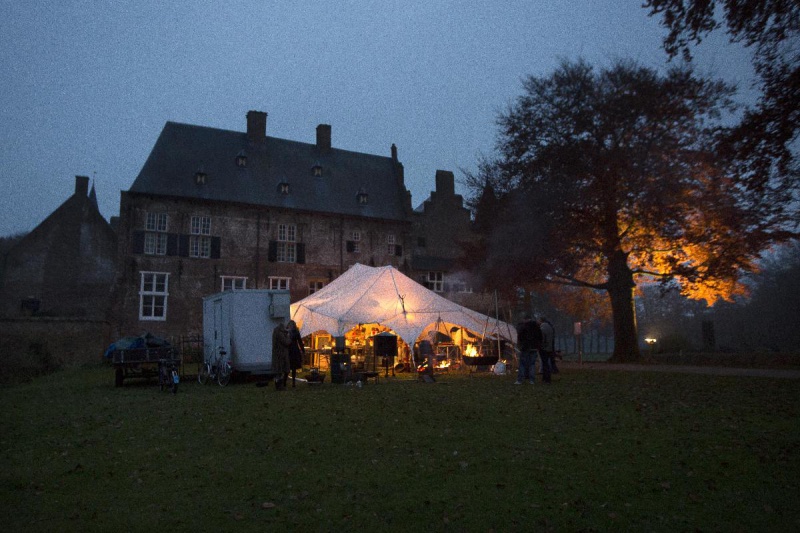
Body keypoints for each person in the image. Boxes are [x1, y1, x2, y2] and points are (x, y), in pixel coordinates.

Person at [515, 314, 542, 385]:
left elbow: (520, 336)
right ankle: (532, 380)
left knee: (522, 364)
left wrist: (520, 345)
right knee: (532, 364)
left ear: (525, 319)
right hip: (534, 348)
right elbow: (540, 337)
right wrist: (537, 346)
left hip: (525, 348)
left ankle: (520, 379)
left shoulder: (524, 327)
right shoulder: (537, 327)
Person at [271, 320, 291, 390]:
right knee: (280, 371)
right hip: (281, 355)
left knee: (279, 371)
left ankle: (279, 385)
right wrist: (288, 336)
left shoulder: (276, 331)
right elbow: (286, 342)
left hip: (278, 354)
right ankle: (279, 386)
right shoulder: (280, 333)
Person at [286, 320, 305, 388]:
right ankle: (287, 382)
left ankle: (292, 382)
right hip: (291, 350)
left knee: (292, 367)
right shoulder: (288, 332)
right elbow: (299, 341)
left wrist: (303, 350)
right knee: (289, 366)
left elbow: (299, 341)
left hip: (293, 350)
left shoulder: (294, 332)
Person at [539, 317, 555, 384]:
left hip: (544, 348)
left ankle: (546, 379)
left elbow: (542, 339)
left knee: (545, 364)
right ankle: (546, 378)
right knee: (547, 363)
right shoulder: (550, 328)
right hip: (550, 348)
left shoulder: (542, 328)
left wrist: (541, 346)